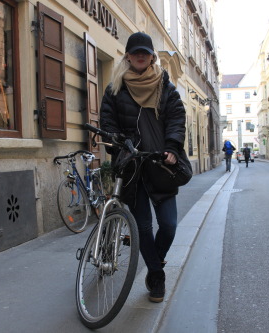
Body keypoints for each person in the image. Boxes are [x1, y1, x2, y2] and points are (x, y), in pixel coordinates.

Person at [99, 32, 186, 303]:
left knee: (169, 226)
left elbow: (176, 118)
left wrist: (172, 147)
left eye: (145, 52)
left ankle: (154, 264)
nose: (140, 56)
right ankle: (157, 277)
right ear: (127, 55)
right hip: (132, 168)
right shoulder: (115, 87)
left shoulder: (165, 87)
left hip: (160, 164)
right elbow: (107, 121)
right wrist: (117, 144)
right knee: (144, 228)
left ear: (151, 57)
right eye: (135, 52)